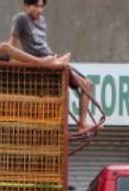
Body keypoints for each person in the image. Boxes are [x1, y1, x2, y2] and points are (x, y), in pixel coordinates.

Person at [10, 0, 95, 130]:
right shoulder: (21, 18)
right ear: (26, 5)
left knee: (87, 84)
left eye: (41, 6)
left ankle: (82, 123)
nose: (39, 10)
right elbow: (12, 44)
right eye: (35, 6)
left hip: (50, 58)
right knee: (61, 66)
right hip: (40, 63)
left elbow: (43, 45)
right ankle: (58, 62)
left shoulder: (42, 21)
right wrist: (16, 61)